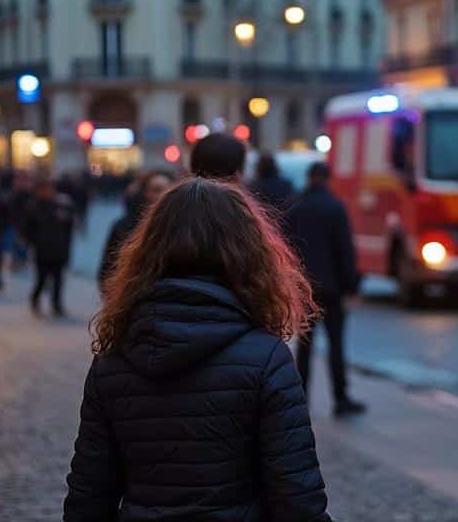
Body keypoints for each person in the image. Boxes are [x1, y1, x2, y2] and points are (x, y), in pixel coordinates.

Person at [63, 178, 330, 521]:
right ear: (249, 254)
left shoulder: (113, 361)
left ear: (149, 251)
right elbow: (297, 496)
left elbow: (89, 495)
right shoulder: (266, 359)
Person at [286, 161, 365, 417]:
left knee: (305, 347)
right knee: (336, 344)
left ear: (309, 178)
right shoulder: (335, 207)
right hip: (332, 289)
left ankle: (301, 399)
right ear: (327, 179)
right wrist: (351, 285)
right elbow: (345, 249)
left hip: (305, 287)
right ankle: (340, 398)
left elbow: (288, 249)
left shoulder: (296, 207)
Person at [98, 170, 174, 290]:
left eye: (168, 190)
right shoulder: (123, 226)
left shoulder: (181, 226)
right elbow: (107, 270)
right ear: (145, 193)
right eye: (156, 190)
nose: (162, 195)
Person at [24, 178, 75, 317]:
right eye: (45, 190)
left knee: (58, 281)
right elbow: (27, 229)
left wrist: (66, 246)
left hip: (59, 250)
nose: (48, 192)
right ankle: (35, 300)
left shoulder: (61, 206)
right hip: (42, 251)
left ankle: (56, 305)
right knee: (41, 279)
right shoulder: (33, 207)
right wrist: (35, 242)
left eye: (50, 189)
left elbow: (68, 227)